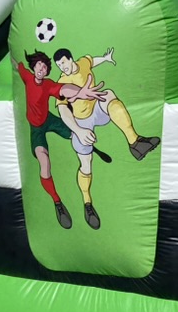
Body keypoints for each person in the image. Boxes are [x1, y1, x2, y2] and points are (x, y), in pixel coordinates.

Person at [53, 46, 160, 230]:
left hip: (97, 110)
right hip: (80, 123)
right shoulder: (62, 83)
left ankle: (135, 143)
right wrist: (78, 130)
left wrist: (105, 58)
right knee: (86, 164)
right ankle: (87, 204)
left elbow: (91, 61)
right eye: (59, 66)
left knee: (108, 94)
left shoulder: (82, 62)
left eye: (63, 63)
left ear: (70, 59)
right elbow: (63, 111)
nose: (62, 68)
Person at [17, 50, 105, 229]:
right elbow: (17, 65)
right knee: (44, 162)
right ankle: (57, 202)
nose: (41, 69)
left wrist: (80, 92)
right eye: (39, 65)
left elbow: (63, 89)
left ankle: (89, 148)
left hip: (48, 119)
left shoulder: (48, 84)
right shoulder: (26, 76)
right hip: (36, 128)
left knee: (75, 132)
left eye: (44, 67)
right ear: (33, 66)